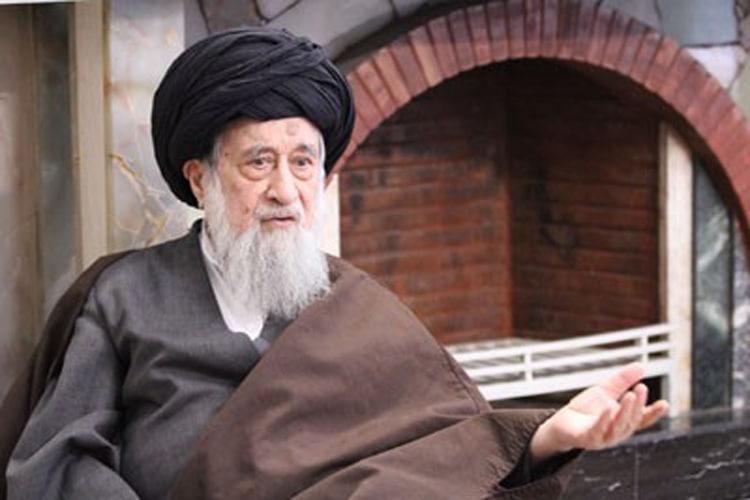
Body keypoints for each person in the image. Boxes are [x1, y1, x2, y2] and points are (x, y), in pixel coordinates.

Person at [0, 27, 669, 499]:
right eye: (259, 162)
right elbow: (57, 460)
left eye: (304, 163)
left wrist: (547, 437)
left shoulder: (357, 305)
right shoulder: (124, 295)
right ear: (201, 179)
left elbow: (443, 450)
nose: (285, 191)